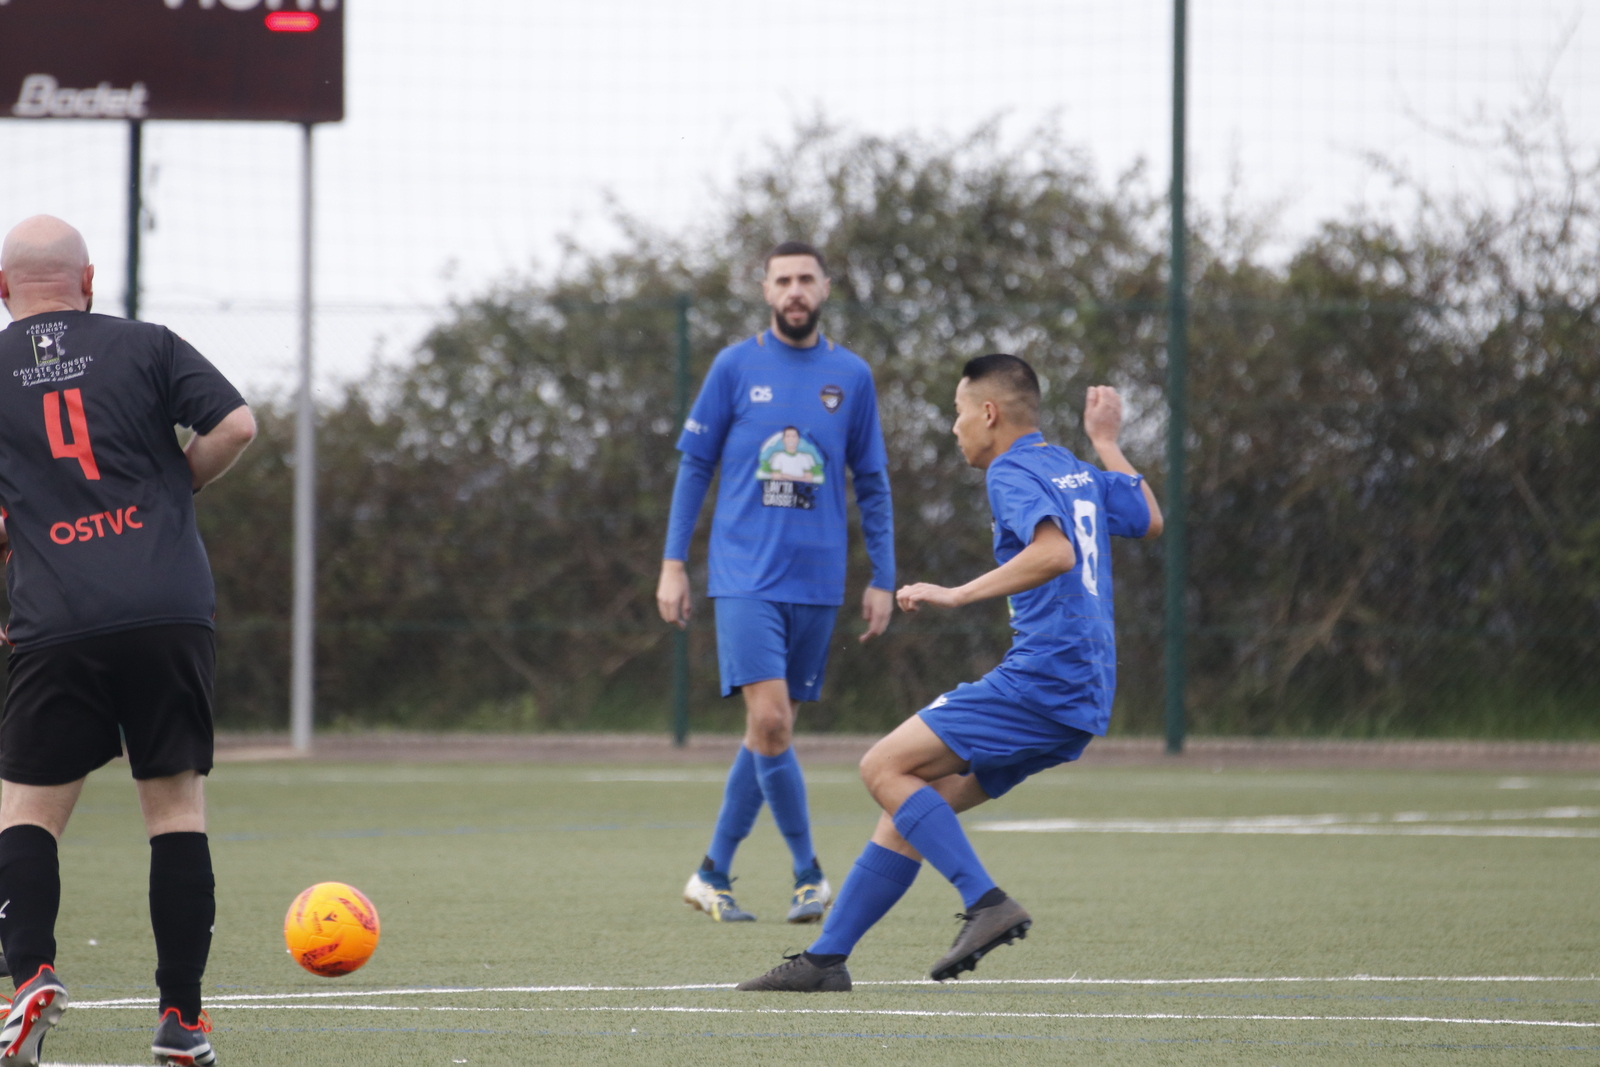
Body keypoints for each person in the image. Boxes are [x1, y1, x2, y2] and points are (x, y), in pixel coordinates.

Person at [738, 353, 1162, 991]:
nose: (954, 427)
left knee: (881, 768)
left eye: (958, 412)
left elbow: (1054, 553)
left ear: (988, 414)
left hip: (1046, 676)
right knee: (915, 804)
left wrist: (956, 593)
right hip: (1085, 689)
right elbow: (1148, 519)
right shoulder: (1070, 466)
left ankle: (985, 902)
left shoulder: (1012, 470)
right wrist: (1106, 442)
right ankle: (825, 961)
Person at [0, 216, 256, 1065]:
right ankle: (181, 1018)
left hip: (57, 617)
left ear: (2, 290)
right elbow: (237, 425)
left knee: (28, 812)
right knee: (174, 809)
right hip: (167, 606)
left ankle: (31, 974)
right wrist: (173, 488)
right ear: (88, 280)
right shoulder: (147, 344)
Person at [657, 241, 895, 924]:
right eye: (783, 279)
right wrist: (673, 562)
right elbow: (694, 467)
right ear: (765, 290)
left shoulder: (851, 376)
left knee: (770, 731)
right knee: (769, 720)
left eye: (806, 279)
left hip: (817, 581)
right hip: (743, 576)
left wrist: (884, 576)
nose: (795, 290)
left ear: (825, 287)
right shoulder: (735, 366)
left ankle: (711, 873)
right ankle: (809, 875)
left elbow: (872, 481)